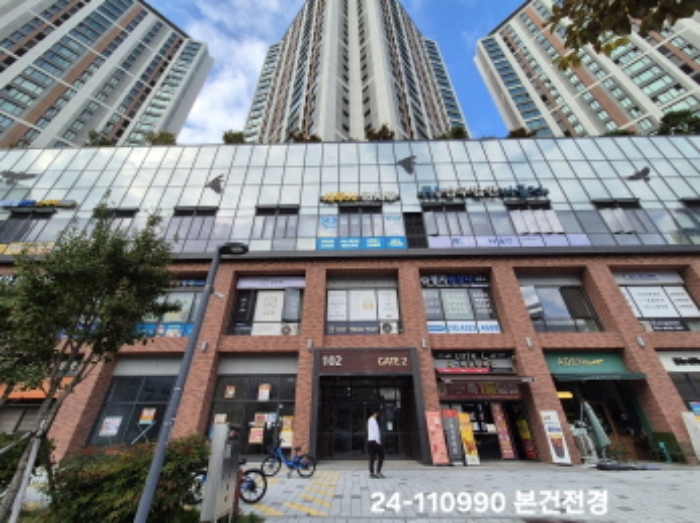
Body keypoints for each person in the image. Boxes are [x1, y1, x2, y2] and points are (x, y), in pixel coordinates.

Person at [367, 410, 385, 478]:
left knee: (372, 456)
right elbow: (376, 431)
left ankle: (372, 472)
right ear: (374, 414)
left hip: (370, 440)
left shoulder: (369, 420)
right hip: (375, 441)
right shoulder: (373, 421)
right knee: (381, 455)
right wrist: (378, 440)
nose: (377, 415)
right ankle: (378, 472)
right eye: (376, 413)